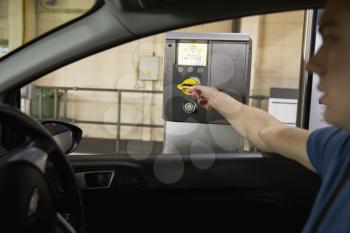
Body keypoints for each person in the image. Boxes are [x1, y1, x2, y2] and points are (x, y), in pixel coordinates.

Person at [189, 0, 350, 232]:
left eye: (333, 39)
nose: (312, 64)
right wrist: (215, 98)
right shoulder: (339, 148)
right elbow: (268, 131)